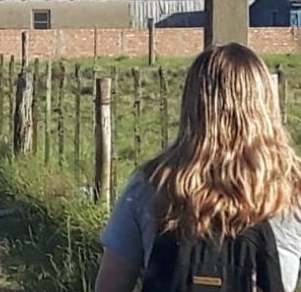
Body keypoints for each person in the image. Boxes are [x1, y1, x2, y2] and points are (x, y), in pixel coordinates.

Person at [95, 43, 301, 292]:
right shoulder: (292, 191)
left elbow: (110, 285)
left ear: (192, 104)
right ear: (266, 104)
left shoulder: (151, 186)